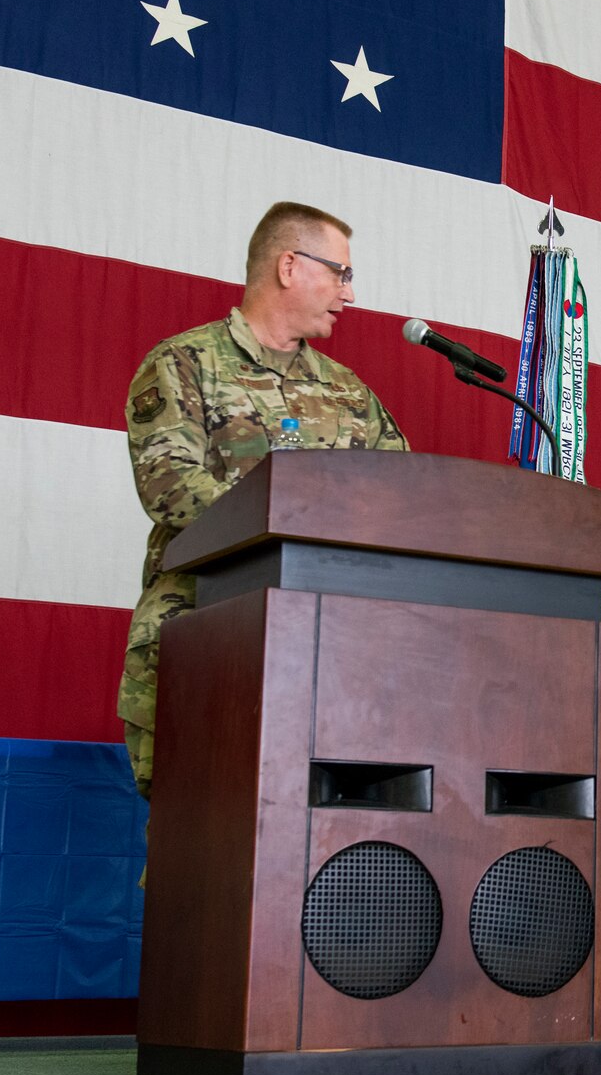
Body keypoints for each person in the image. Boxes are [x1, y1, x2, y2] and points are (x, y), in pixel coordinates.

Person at [117, 202, 408, 800]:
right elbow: (169, 486)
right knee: (198, 830)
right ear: (289, 266)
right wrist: (292, 525)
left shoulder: (348, 392)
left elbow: (405, 501)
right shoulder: (183, 365)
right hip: (209, 630)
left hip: (332, 644)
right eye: (340, 273)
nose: (350, 294)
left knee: (322, 820)